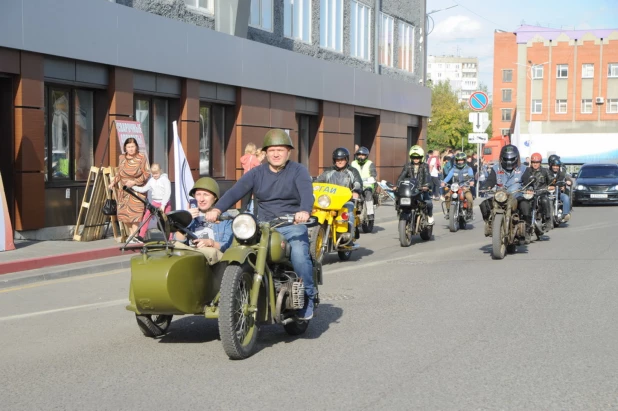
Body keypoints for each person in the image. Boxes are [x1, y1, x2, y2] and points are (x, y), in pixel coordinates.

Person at [204, 129, 316, 320]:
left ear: (288, 151)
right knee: (234, 248)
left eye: (280, 149)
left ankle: (308, 295)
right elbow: (235, 191)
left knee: (298, 252)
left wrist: (304, 211)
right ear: (265, 153)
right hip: (262, 225)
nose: (276, 154)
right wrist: (217, 209)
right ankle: (228, 291)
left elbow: (307, 194)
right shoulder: (257, 173)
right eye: (272, 150)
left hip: (290, 224)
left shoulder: (298, 171)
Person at [479, 145, 533, 243]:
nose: (509, 161)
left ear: (516, 158)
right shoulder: (496, 168)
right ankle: (490, 224)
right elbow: (490, 180)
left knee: (526, 205)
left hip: (517, 196)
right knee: (484, 205)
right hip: (500, 196)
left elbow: (527, 181)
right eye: (506, 159)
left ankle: (527, 230)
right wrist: (486, 187)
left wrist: (529, 188)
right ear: (501, 158)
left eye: (511, 159)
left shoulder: (524, 169)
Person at [173, 177, 233, 265]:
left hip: (213, 262)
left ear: (215, 197)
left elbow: (228, 246)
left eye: (206, 195)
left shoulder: (225, 217)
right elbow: (178, 242)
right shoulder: (189, 215)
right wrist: (185, 220)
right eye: (198, 194)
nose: (201, 199)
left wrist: (210, 243)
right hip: (189, 258)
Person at [108, 137, 150, 242]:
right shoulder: (122, 157)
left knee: (135, 214)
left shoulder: (141, 157)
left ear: (136, 147)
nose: (131, 149)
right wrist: (114, 182)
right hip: (124, 190)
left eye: (133, 146)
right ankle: (132, 234)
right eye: (129, 147)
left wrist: (134, 182)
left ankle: (135, 236)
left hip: (137, 190)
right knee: (123, 214)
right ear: (125, 148)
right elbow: (120, 172)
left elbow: (147, 173)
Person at [318, 147, 363, 237]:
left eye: (342, 159)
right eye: (337, 159)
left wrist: (356, 191)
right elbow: (319, 181)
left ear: (346, 159)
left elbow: (358, 182)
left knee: (349, 213)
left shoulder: (352, 171)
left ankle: (349, 235)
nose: (339, 161)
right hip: (330, 201)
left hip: (346, 201)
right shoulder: (328, 171)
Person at [130, 163, 172, 240]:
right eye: (153, 174)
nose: (155, 175)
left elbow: (167, 193)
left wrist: (163, 205)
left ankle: (170, 239)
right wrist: (133, 187)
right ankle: (141, 236)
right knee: (146, 217)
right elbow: (143, 189)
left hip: (164, 203)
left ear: (160, 171)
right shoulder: (151, 180)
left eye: (157, 173)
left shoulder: (165, 180)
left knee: (167, 221)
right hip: (155, 202)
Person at [396, 145, 434, 225]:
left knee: (428, 202)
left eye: (418, 157)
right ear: (411, 157)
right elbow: (402, 176)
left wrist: (426, 186)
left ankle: (430, 216)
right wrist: (397, 185)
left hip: (421, 189)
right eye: (414, 157)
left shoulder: (425, 166)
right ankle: (401, 214)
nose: (416, 159)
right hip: (411, 189)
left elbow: (427, 177)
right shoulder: (407, 166)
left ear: (421, 157)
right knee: (399, 199)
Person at [521, 152, 552, 227]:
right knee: (523, 203)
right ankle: (525, 221)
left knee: (545, 200)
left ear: (540, 162)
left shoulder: (545, 171)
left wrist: (552, 185)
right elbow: (523, 181)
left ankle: (547, 219)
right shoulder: (527, 171)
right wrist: (526, 188)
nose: (535, 164)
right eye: (533, 162)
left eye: (537, 162)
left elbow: (551, 180)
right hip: (530, 193)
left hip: (542, 192)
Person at [442, 152, 475, 219]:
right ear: (456, 161)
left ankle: (469, 211)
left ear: (464, 160)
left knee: (469, 197)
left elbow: (471, 178)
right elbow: (448, 177)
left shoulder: (469, 168)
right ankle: (449, 211)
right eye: (458, 160)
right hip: (455, 188)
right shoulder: (453, 169)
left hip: (465, 187)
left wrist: (471, 182)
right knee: (447, 196)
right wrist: (444, 182)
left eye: (461, 160)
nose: (460, 162)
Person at [350, 146, 377, 221]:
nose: (360, 156)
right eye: (359, 155)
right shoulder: (353, 163)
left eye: (363, 155)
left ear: (366, 156)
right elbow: (349, 173)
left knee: (368, 194)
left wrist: (371, 178)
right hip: (356, 185)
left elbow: (373, 174)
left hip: (367, 185)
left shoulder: (370, 163)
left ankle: (370, 213)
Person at [547, 155, 572, 222]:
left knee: (566, 197)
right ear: (551, 165)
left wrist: (568, 182)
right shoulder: (547, 172)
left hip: (558, 193)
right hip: (548, 194)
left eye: (557, 166)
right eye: (554, 166)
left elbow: (568, 179)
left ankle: (565, 214)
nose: (555, 167)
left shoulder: (562, 173)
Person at [240, 143, 261, 212]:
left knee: (246, 198)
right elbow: (258, 166)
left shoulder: (244, 158)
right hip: (253, 179)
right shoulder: (253, 158)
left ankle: (243, 211)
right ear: (252, 150)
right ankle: (256, 213)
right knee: (256, 198)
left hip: (246, 178)